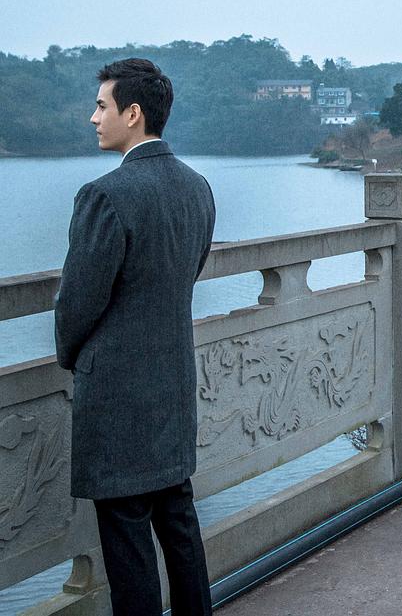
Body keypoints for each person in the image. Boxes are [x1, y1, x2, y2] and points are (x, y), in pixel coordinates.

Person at [54, 59, 216, 615]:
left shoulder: (105, 195)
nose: (93, 117)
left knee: (129, 550)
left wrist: (71, 355)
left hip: (118, 399)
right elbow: (185, 274)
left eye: (101, 106)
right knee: (180, 526)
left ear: (133, 114)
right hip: (173, 386)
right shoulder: (197, 187)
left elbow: (78, 303)